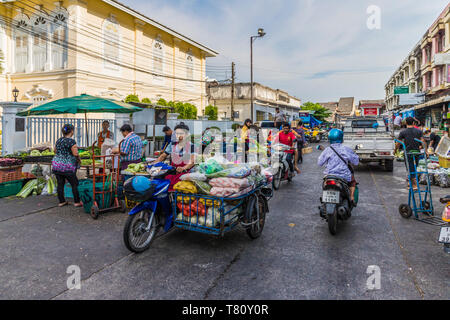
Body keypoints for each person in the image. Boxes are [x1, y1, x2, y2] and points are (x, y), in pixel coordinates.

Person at [318, 128, 359, 204]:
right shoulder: (346, 149)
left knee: (324, 183)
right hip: (343, 176)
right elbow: (356, 162)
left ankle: (324, 195)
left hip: (329, 175)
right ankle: (352, 197)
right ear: (341, 138)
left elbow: (319, 163)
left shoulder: (327, 150)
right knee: (352, 181)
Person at [153, 122, 195, 190]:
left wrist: (183, 168)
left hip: (184, 175)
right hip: (173, 173)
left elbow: (192, 161)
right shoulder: (172, 144)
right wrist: (153, 164)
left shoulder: (191, 146)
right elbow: (163, 156)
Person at [51, 124, 82, 208]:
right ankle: (77, 202)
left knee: (60, 183)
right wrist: (79, 160)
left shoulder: (59, 140)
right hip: (67, 166)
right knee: (74, 183)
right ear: (71, 131)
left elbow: (54, 151)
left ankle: (61, 201)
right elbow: (75, 153)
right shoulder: (71, 141)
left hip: (57, 165)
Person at [394, 117, 426, 191]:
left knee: (409, 167)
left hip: (408, 152)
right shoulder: (419, 131)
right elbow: (423, 142)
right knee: (414, 167)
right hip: (417, 152)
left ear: (405, 123)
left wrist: (395, 150)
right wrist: (426, 151)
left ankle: (413, 184)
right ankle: (410, 182)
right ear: (414, 123)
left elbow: (398, 143)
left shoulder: (403, 132)